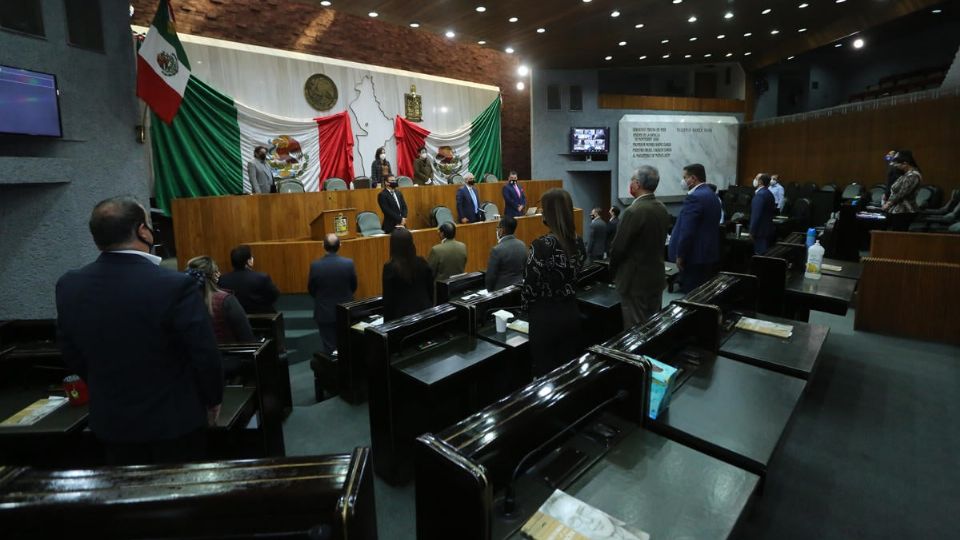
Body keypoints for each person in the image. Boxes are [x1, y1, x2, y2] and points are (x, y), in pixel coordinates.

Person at [55, 196, 222, 465]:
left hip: (111, 422)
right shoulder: (175, 285)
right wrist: (213, 399)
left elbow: (70, 351)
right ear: (142, 230)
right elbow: (204, 353)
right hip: (175, 422)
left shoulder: (69, 285)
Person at [522, 188, 586, 377]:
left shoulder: (541, 245)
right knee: (567, 373)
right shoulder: (579, 242)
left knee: (545, 375)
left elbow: (529, 287)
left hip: (545, 318)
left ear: (548, 214)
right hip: (571, 311)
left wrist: (524, 310)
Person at [608, 166, 671, 328]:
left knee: (635, 331)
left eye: (631, 181)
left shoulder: (633, 211)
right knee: (653, 326)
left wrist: (612, 271)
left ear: (636, 184)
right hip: (656, 277)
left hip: (634, 282)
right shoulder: (662, 208)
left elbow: (618, 249)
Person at [668, 163, 722, 293]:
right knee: (703, 294)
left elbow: (687, 231)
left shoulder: (695, 197)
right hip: (708, 253)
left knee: (692, 295)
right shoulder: (711, 195)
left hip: (693, 256)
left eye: (685, 177)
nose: (683, 180)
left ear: (693, 178)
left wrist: (680, 255)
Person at [186, 256, 256, 344]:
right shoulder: (226, 300)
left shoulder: (181, 302)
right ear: (215, 275)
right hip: (228, 355)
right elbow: (247, 337)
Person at [307, 234, 358, 354]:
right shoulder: (348, 263)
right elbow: (353, 286)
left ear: (322, 246)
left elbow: (311, 289)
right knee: (346, 345)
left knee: (329, 348)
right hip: (345, 311)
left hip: (324, 312)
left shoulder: (315, 265)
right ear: (340, 245)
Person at [382, 228, 434, 321]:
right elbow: (431, 289)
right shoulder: (422, 262)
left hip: (402, 320)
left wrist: (386, 326)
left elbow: (388, 300)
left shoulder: (390, 268)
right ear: (411, 243)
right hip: (426, 314)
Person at [218, 245, 280, 314]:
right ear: (249, 261)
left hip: (234, 319)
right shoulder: (262, 277)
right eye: (251, 257)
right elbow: (274, 295)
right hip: (261, 317)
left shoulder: (222, 279)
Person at [882, 150, 922, 231]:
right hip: (898, 211)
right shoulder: (906, 174)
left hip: (905, 211)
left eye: (897, 164)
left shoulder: (913, 175)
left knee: (897, 236)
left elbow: (902, 193)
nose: (895, 166)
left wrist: (888, 204)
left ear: (905, 163)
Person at [485, 216, 527, 291]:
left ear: (501, 230)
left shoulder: (497, 250)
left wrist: (490, 294)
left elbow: (490, 277)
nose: (496, 231)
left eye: (497, 228)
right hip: (520, 288)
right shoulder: (522, 245)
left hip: (502, 292)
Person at [749, 173, 778, 255]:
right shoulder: (769, 194)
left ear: (760, 182)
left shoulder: (760, 195)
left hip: (760, 232)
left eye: (756, 178)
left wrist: (751, 232)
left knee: (760, 256)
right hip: (768, 230)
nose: (754, 180)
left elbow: (756, 215)